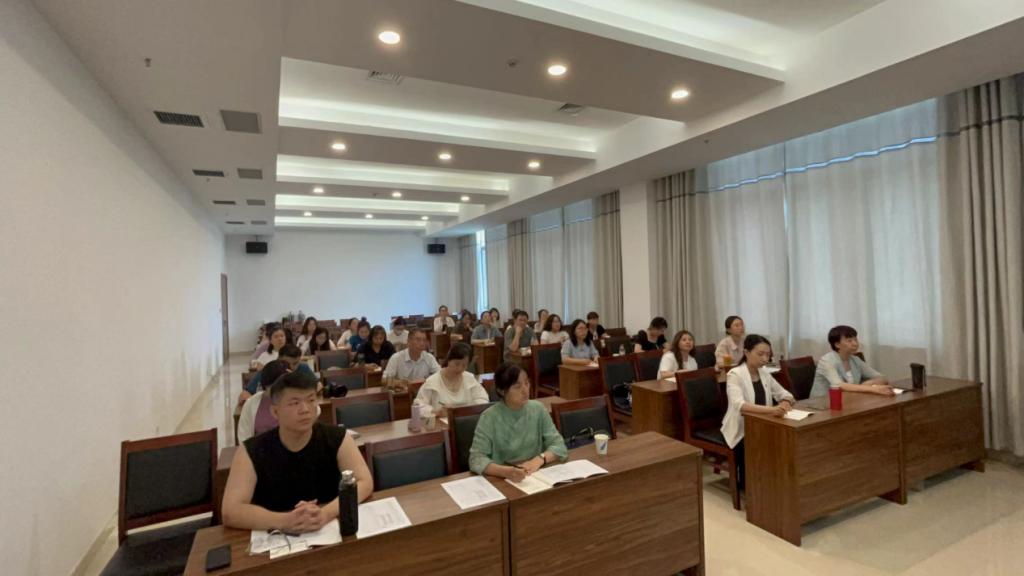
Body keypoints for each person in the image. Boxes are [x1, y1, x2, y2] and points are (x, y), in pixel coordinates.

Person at [222, 371, 373, 531]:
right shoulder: (251, 450)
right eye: (294, 403)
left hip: (329, 531)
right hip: (276, 537)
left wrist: (324, 514)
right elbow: (231, 511)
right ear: (275, 412)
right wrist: (286, 521)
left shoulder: (338, 438)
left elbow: (364, 482)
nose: (305, 409)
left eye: (311, 400)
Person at [469, 362, 568, 480]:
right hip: (503, 479)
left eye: (527, 383)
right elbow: (476, 459)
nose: (525, 390)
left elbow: (559, 445)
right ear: (501, 390)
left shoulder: (538, 409)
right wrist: (504, 471)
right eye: (517, 386)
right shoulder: (489, 417)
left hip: (535, 475)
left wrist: (540, 459)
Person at [721, 334, 794, 489]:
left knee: (786, 440)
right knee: (756, 445)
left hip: (763, 424)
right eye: (760, 354)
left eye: (768, 354)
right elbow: (740, 405)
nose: (765, 359)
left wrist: (785, 402)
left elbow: (785, 394)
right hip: (741, 429)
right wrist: (772, 410)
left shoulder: (764, 373)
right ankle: (752, 486)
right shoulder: (735, 374)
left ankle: (775, 482)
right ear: (746, 353)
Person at [810, 325, 893, 398]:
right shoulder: (826, 361)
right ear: (837, 344)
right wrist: (873, 389)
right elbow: (839, 385)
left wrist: (867, 384)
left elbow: (882, 378)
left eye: (855, 340)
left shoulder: (855, 359)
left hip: (848, 400)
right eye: (849, 341)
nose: (855, 344)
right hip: (823, 403)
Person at [414, 343, 488, 417]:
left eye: (464, 365)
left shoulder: (469, 378)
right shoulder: (433, 381)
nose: (460, 368)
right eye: (457, 364)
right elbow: (418, 406)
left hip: (465, 420)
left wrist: (471, 410)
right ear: (449, 360)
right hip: (441, 421)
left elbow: (483, 399)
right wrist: (436, 412)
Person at [237, 360, 291, 443]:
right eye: (273, 387)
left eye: (282, 387)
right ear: (265, 385)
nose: (278, 392)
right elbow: (244, 437)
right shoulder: (251, 403)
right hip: (258, 448)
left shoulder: (294, 401)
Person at [242, 344, 316, 399]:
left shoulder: (303, 367)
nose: (292, 367)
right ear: (278, 359)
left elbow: (318, 385)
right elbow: (245, 393)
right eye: (286, 363)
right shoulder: (270, 369)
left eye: (295, 363)